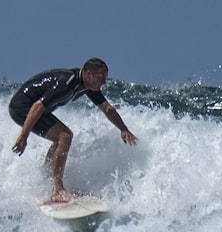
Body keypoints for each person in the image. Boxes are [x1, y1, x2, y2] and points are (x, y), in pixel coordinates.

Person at [9, 57, 138, 202]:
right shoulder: (67, 84)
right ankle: (57, 190)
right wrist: (23, 137)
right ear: (89, 75)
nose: (104, 82)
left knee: (61, 139)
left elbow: (107, 109)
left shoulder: (87, 86)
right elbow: (37, 107)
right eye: (101, 78)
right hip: (22, 109)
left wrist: (123, 129)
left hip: (32, 110)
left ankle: (46, 179)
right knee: (64, 136)